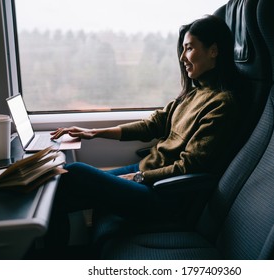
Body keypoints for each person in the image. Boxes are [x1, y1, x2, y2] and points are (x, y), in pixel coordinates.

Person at [45, 15, 240, 254]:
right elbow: (152, 125)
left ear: (213, 51)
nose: (182, 57)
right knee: (59, 190)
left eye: (189, 48)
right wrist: (93, 133)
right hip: (148, 176)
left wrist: (139, 177)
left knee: (74, 173)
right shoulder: (193, 93)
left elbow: (189, 167)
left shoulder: (222, 104)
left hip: (165, 194)